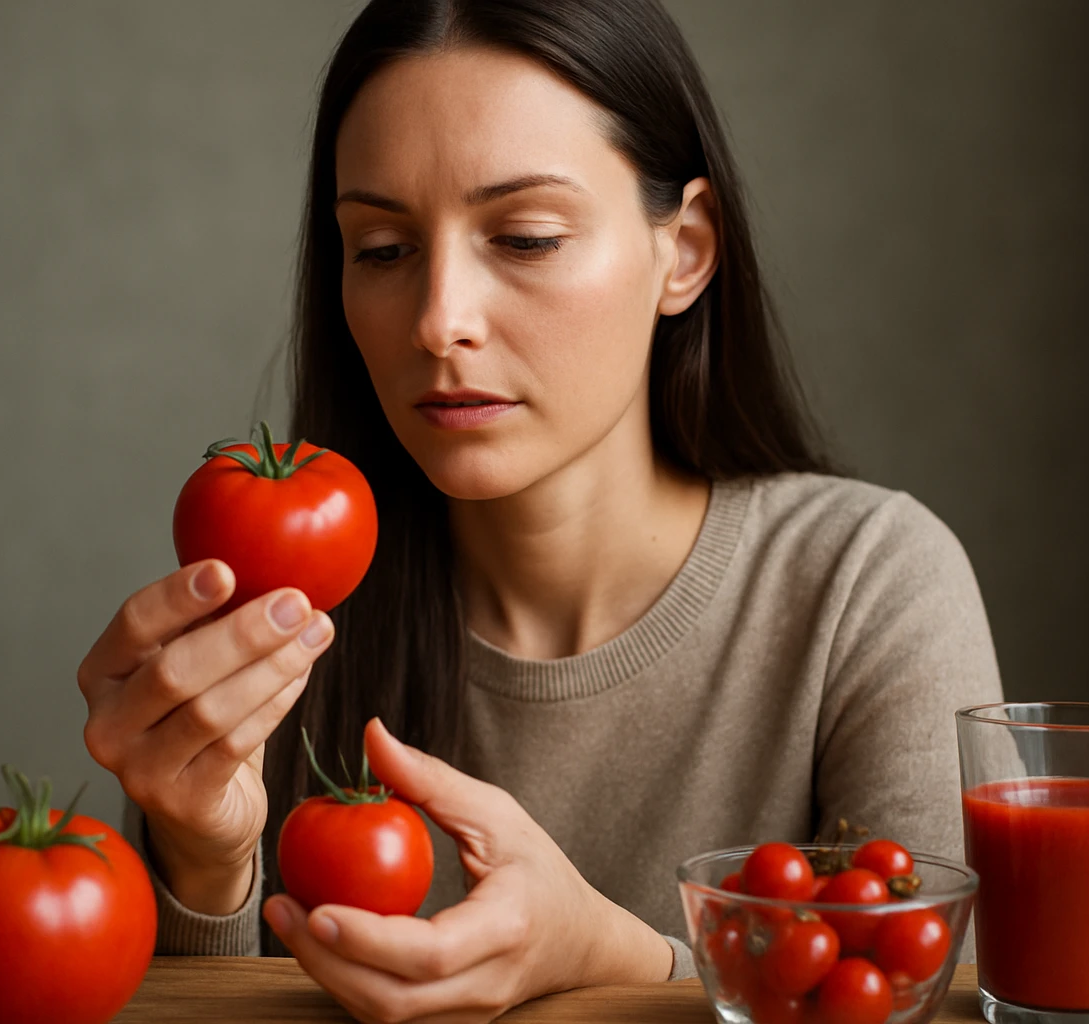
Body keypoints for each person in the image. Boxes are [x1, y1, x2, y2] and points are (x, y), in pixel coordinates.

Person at [76, 0, 1003, 1019]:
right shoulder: (290, 606)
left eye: (524, 236)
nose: (439, 321)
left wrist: (617, 957)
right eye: (381, 249)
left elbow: (938, 994)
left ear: (684, 250)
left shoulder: (867, 585)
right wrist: (205, 859)